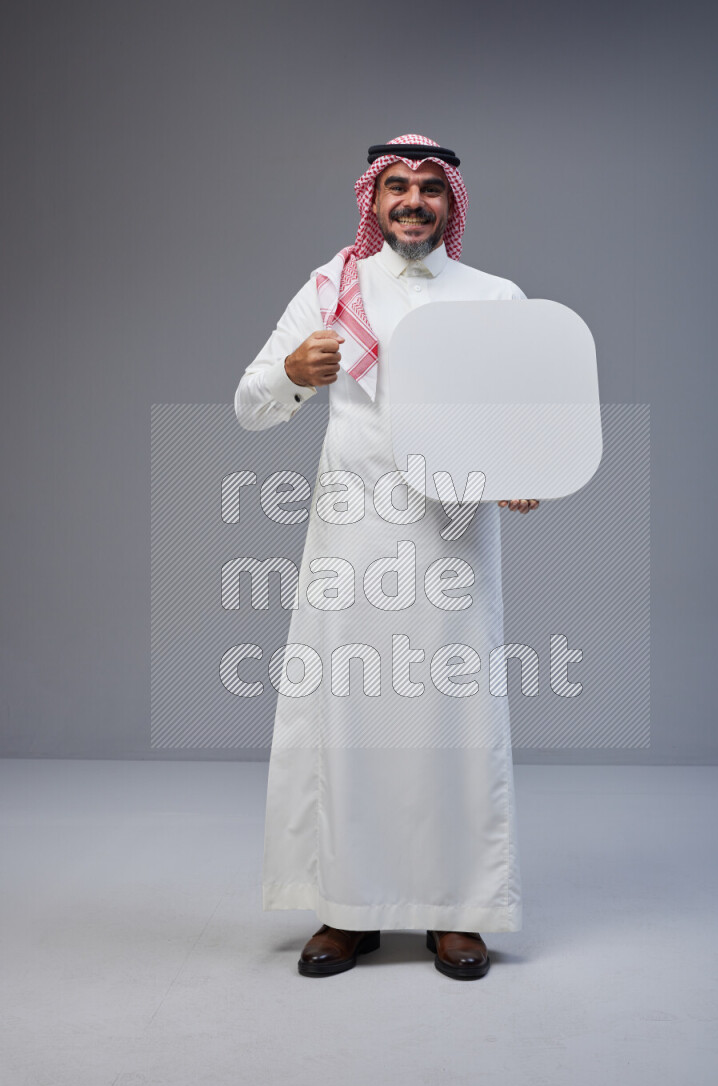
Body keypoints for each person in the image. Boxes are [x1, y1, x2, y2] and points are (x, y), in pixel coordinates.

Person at [234, 134, 539, 980]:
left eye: (429, 188)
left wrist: (523, 470)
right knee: (350, 718)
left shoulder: (495, 296)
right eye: (396, 187)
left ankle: (457, 912)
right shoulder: (332, 287)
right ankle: (347, 907)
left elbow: (524, 421)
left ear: (452, 203)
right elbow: (250, 401)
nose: (412, 201)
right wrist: (296, 372)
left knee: (454, 716)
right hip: (351, 536)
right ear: (372, 201)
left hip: (450, 540)